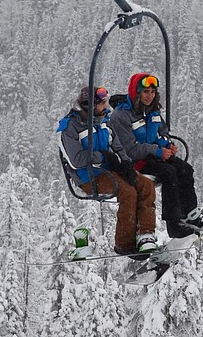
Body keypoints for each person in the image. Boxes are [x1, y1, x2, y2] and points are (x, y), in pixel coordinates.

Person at [109, 72, 203, 238]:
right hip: (135, 161)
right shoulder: (121, 115)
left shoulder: (152, 111)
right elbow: (129, 149)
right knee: (169, 173)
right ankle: (174, 224)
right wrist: (157, 151)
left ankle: (191, 215)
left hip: (154, 155)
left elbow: (162, 133)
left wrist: (167, 145)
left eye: (152, 92)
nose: (149, 96)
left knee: (185, 169)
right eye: (145, 92)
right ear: (136, 92)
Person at [57, 85, 159, 255]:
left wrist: (125, 164)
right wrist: (103, 156)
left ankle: (146, 235)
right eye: (102, 104)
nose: (106, 107)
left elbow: (117, 147)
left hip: (109, 171)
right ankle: (124, 244)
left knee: (146, 185)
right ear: (90, 105)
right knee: (128, 193)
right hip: (88, 177)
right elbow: (76, 161)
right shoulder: (70, 127)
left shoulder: (104, 121)